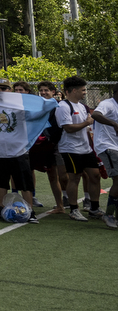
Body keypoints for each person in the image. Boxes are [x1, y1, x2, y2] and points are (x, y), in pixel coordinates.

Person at [0, 79, 40, 224]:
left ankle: (30, 212)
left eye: (4, 88)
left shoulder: (21, 105)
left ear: (10, 90)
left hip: (19, 151)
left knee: (24, 184)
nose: (1, 91)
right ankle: (0, 210)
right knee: (0, 183)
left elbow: (39, 112)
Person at [55, 76, 102, 222]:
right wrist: (86, 122)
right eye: (83, 90)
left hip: (85, 148)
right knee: (74, 178)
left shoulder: (82, 106)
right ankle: (74, 209)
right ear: (73, 90)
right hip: (70, 149)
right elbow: (68, 128)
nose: (85, 92)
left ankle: (94, 208)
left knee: (95, 175)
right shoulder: (63, 106)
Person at [28, 81, 66, 215]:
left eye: (46, 90)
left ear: (53, 92)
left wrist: (53, 139)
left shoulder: (60, 106)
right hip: (42, 144)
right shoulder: (37, 106)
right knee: (51, 175)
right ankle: (60, 205)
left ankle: (67, 200)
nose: (43, 93)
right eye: (41, 90)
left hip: (58, 144)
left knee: (63, 176)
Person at [91, 81, 118, 229]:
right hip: (107, 146)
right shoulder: (108, 104)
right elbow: (95, 114)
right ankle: (108, 215)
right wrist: (113, 123)